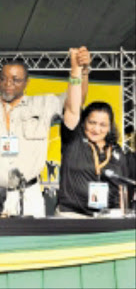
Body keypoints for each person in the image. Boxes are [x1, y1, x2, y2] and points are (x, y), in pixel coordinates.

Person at [0, 38, 91, 217]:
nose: (8, 84)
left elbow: (75, 102)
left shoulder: (44, 104)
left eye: (15, 80)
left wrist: (82, 71)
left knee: (30, 243)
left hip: (28, 195)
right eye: (3, 79)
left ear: (26, 83)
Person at [58, 65, 129, 218]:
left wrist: (121, 217)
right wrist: (77, 70)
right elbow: (73, 106)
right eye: (92, 123)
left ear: (110, 127)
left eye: (103, 125)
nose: (96, 129)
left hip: (107, 216)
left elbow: (121, 189)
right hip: (72, 216)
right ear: (83, 123)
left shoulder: (116, 151)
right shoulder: (73, 139)